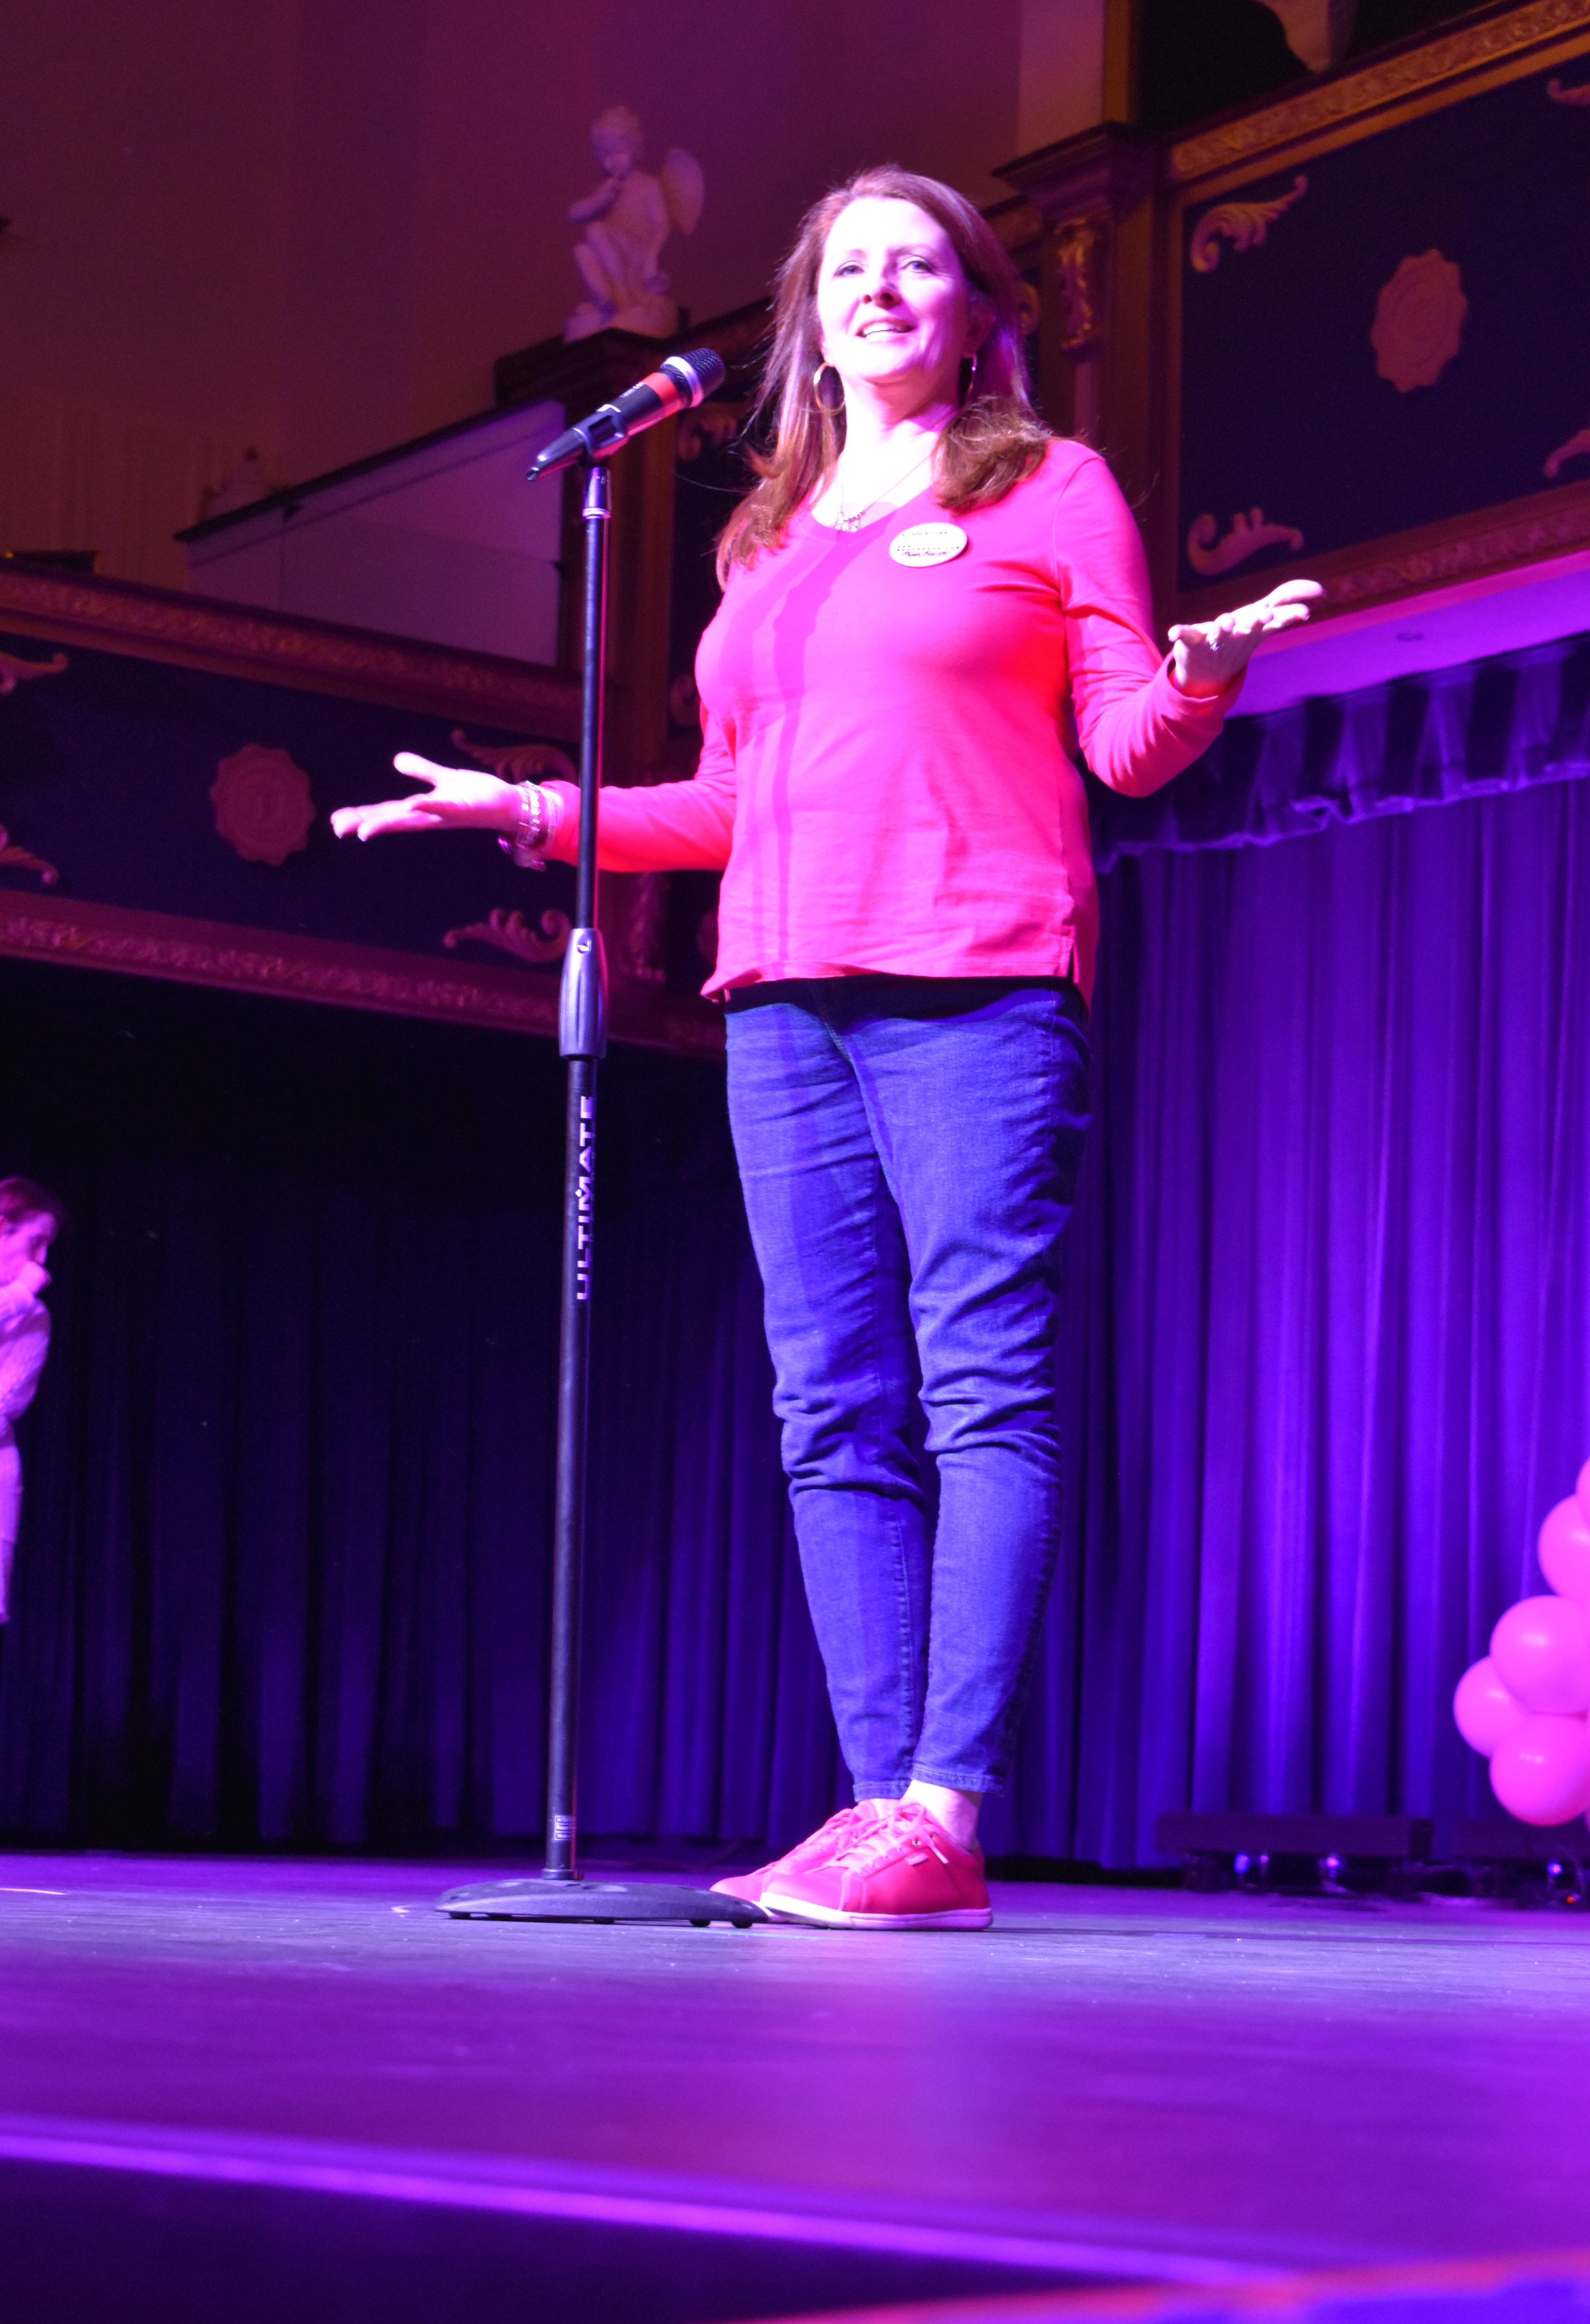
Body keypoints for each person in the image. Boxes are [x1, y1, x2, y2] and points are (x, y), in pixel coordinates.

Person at [333, 166, 1319, 1930]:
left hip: (975, 978)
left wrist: (1196, 675)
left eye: (916, 264)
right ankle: (877, 1812)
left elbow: (1121, 742)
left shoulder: (1048, 487)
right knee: (828, 1407)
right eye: (849, 265)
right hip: (780, 999)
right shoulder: (766, 546)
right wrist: (528, 808)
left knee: (979, 1386)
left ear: (976, 309)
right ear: (810, 316)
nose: (879, 287)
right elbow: (726, 804)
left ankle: (944, 1803)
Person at [0, 1177, 65, 1624]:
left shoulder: (36, 1319)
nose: (41, 1261)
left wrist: (24, 1303)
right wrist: (18, 1296)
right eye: (36, 1242)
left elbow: (5, 1406)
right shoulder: (25, 1302)